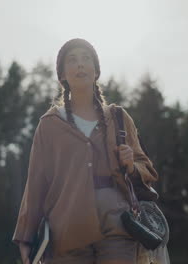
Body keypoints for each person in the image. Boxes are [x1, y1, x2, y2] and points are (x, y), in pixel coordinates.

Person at [12, 38, 160, 264]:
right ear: (62, 75)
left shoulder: (119, 117)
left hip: (119, 224)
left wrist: (132, 165)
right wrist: (26, 237)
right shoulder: (49, 124)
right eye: (72, 60)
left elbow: (146, 168)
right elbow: (36, 183)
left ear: (96, 71)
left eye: (86, 58)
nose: (80, 64)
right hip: (66, 229)